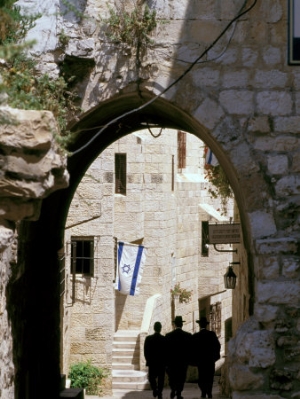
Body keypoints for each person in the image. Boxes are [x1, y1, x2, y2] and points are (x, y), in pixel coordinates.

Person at [191, 317, 221, 398]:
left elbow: (192, 349)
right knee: (210, 377)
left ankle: (204, 392)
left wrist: (194, 360)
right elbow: (217, 346)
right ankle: (209, 392)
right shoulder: (212, 334)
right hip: (210, 361)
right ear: (206, 325)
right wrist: (215, 357)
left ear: (199, 325)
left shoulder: (196, 336)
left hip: (201, 361)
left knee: (202, 377)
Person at [165, 316, 192, 399]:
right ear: (182, 324)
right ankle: (179, 393)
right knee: (181, 377)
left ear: (174, 324)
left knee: (172, 377)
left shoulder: (168, 336)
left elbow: (165, 350)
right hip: (183, 362)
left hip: (172, 362)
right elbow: (190, 349)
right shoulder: (187, 336)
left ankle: (173, 390)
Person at [144, 321, 166, 399]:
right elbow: (166, 352)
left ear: (154, 328)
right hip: (161, 363)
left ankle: (155, 389)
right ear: (160, 329)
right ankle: (159, 392)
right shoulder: (164, 339)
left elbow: (146, 351)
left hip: (152, 363)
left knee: (151, 378)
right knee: (161, 379)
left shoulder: (148, 339)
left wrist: (148, 360)